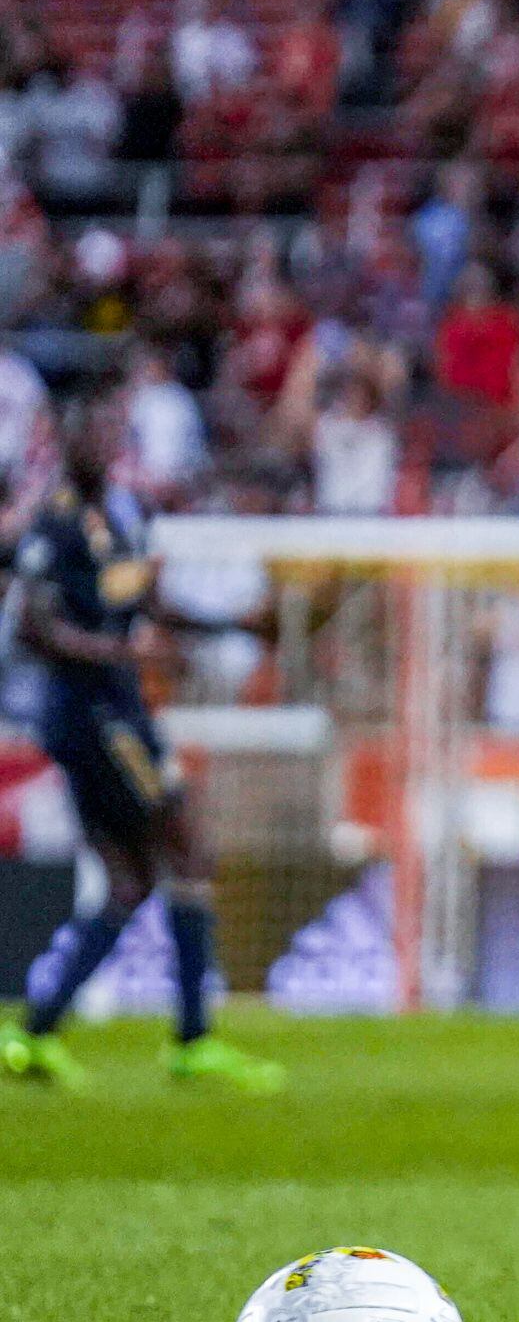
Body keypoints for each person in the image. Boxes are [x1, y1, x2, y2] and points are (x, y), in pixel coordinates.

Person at [0, 395, 285, 1091]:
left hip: (120, 709)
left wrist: (229, 628)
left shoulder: (126, 517)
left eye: (107, 433)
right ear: (67, 447)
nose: (100, 446)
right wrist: (124, 656)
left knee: (130, 880)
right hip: (92, 716)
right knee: (189, 849)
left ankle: (36, 1032)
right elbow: (36, 629)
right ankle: (192, 1039)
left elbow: (147, 609)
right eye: (87, 435)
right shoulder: (54, 526)